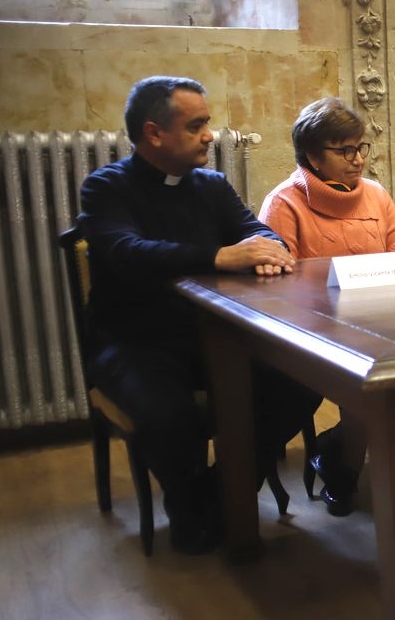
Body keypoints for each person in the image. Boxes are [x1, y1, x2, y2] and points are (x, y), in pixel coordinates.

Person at [78, 76, 322, 555]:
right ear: (154, 133)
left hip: (214, 337)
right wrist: (219, 257)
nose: (210, 134)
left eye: (206, 123)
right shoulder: (106, 187)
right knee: (169, 414)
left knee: (301, 384)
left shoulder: (210, 185)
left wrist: (267, 249)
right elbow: (127, 252)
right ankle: (189, 507)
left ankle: (217, 494)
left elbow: (262, 235)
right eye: (196, 125)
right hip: (135, 340)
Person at [259, 97, 395, 516]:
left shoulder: (377, 196)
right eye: (344, 150)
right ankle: (344, 469)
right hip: (316, 327)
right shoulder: (284, 203)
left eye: (361, 148)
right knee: (366, 383)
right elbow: (280, 286)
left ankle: (336, 449)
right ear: (312, 155)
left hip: (380, 318)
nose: (358, 159)